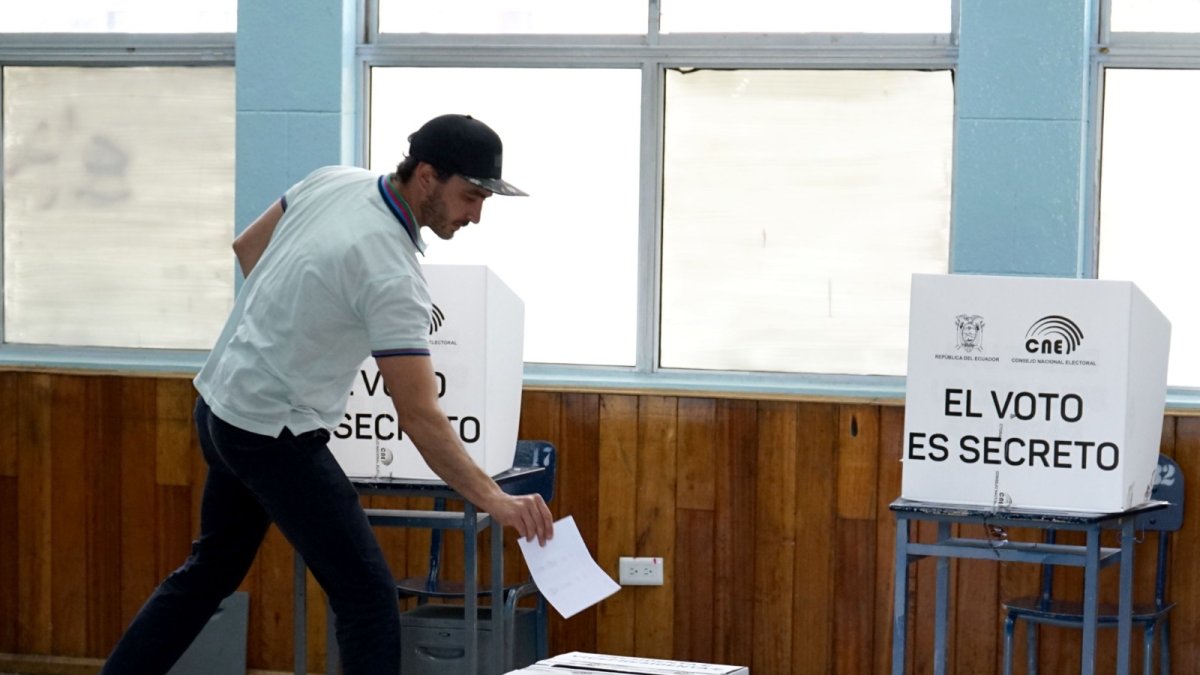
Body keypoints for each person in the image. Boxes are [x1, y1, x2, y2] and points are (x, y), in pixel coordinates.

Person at [100, 114, 555, 675]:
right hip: (275, 435)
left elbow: (248, 248)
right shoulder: (391, 271)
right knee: (368, 599)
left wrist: (305, 324)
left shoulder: (333, 181)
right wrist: (494, 499)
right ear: (428, 176)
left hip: (220, 405)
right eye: (469, 196)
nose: (476, 216)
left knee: (205, 575)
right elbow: (417, 413)